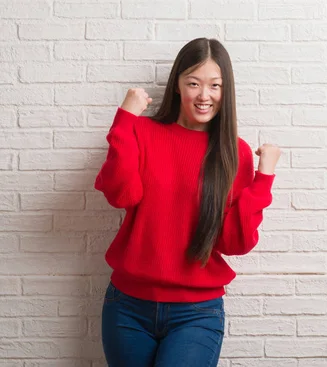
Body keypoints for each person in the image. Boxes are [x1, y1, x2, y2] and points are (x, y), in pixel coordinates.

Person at [95, 38, 280, 367]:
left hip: (197, 313)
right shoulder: (142, 131)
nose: (204, 95)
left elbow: (235, 241)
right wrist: (125, 119)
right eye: (193, 83)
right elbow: (121, 194)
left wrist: (263, 178)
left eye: (215, 85)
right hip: (128, 306)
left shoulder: (233, 152)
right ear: (178, 85)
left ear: (226, 91)